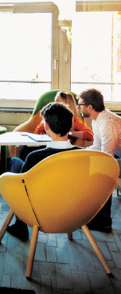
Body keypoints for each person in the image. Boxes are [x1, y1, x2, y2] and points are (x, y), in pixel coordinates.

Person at [7, 102, 79, 241]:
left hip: (40, 210)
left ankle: (20, 225)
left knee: (16, 164)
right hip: (73, 210)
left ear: (46, 126)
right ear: (70, 126)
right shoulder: (84, 156)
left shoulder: (35, 156)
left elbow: (23, 189)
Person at [78, 88, 121, 232]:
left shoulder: (108, 122)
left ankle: (103, 221)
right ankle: (88, 213)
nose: (78, 107)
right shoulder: (97, 120)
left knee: (102, 172)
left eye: (80, 104)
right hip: (116, 155)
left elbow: (107, 157)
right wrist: (77, 153)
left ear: (90, 107)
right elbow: (96, 146)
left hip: (114, 157)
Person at [18, 91, 93, 161]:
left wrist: (70, 132)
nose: (54, 103)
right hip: (48, 144)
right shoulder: (48, 119)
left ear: (65, 103)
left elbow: (89, 134)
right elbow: (37, 132)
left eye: (57, 101)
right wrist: (49, 132)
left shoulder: (74, 120)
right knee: (25, 148)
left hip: (63, 149)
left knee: (18, 159)